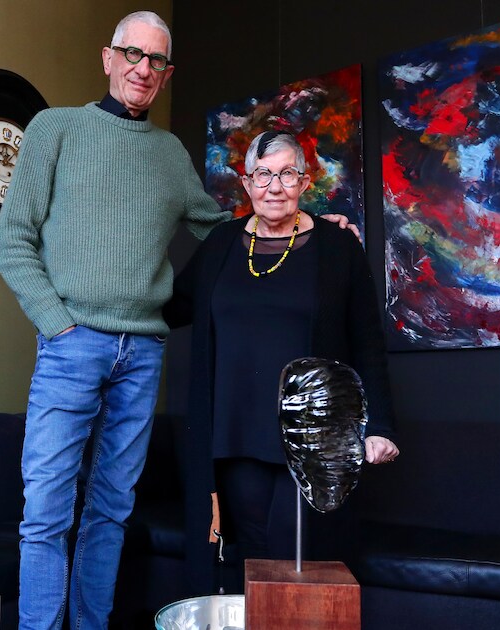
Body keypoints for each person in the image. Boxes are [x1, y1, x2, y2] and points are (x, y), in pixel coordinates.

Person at [0, 11, 227, 630]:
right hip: (71, 344)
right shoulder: (55, 128)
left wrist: (303, 224)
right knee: (46, 512)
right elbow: (11, 240)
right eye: (133, 54)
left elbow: (222, 234)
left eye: (157, 61)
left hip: (143, 354)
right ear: (108, 57)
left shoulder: (169, 153)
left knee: (111, 512)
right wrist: (57, 324)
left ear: (166, 74)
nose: (143, 69)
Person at [164, 130, 400, 594]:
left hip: (311, 438)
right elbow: (169, 307)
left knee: (296, 560)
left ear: (304, 182)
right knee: (250, 558)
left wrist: (381, 425)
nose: (274, 186)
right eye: (263, 175)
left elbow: (368, 342)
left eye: (287, 174)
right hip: (234, 434)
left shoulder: (337, 246)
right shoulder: (220, 244)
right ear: (246, 183)